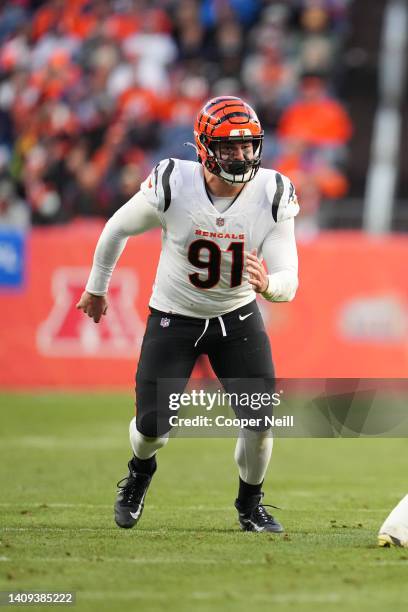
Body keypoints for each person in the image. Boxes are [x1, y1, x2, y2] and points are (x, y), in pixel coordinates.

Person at [76, 96, 299, 533]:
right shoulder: (174, 182)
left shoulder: (273, 192)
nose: (241, 155)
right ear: (203, 147)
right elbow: (116, 228)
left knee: (260, 422)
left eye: (247, 146)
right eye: (229, 147)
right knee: (153, 427)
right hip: (173, 317)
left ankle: (249, 504)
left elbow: (289, 275)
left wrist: (268, 284)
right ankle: (140, 473)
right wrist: (96, 288)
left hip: (236, 319)